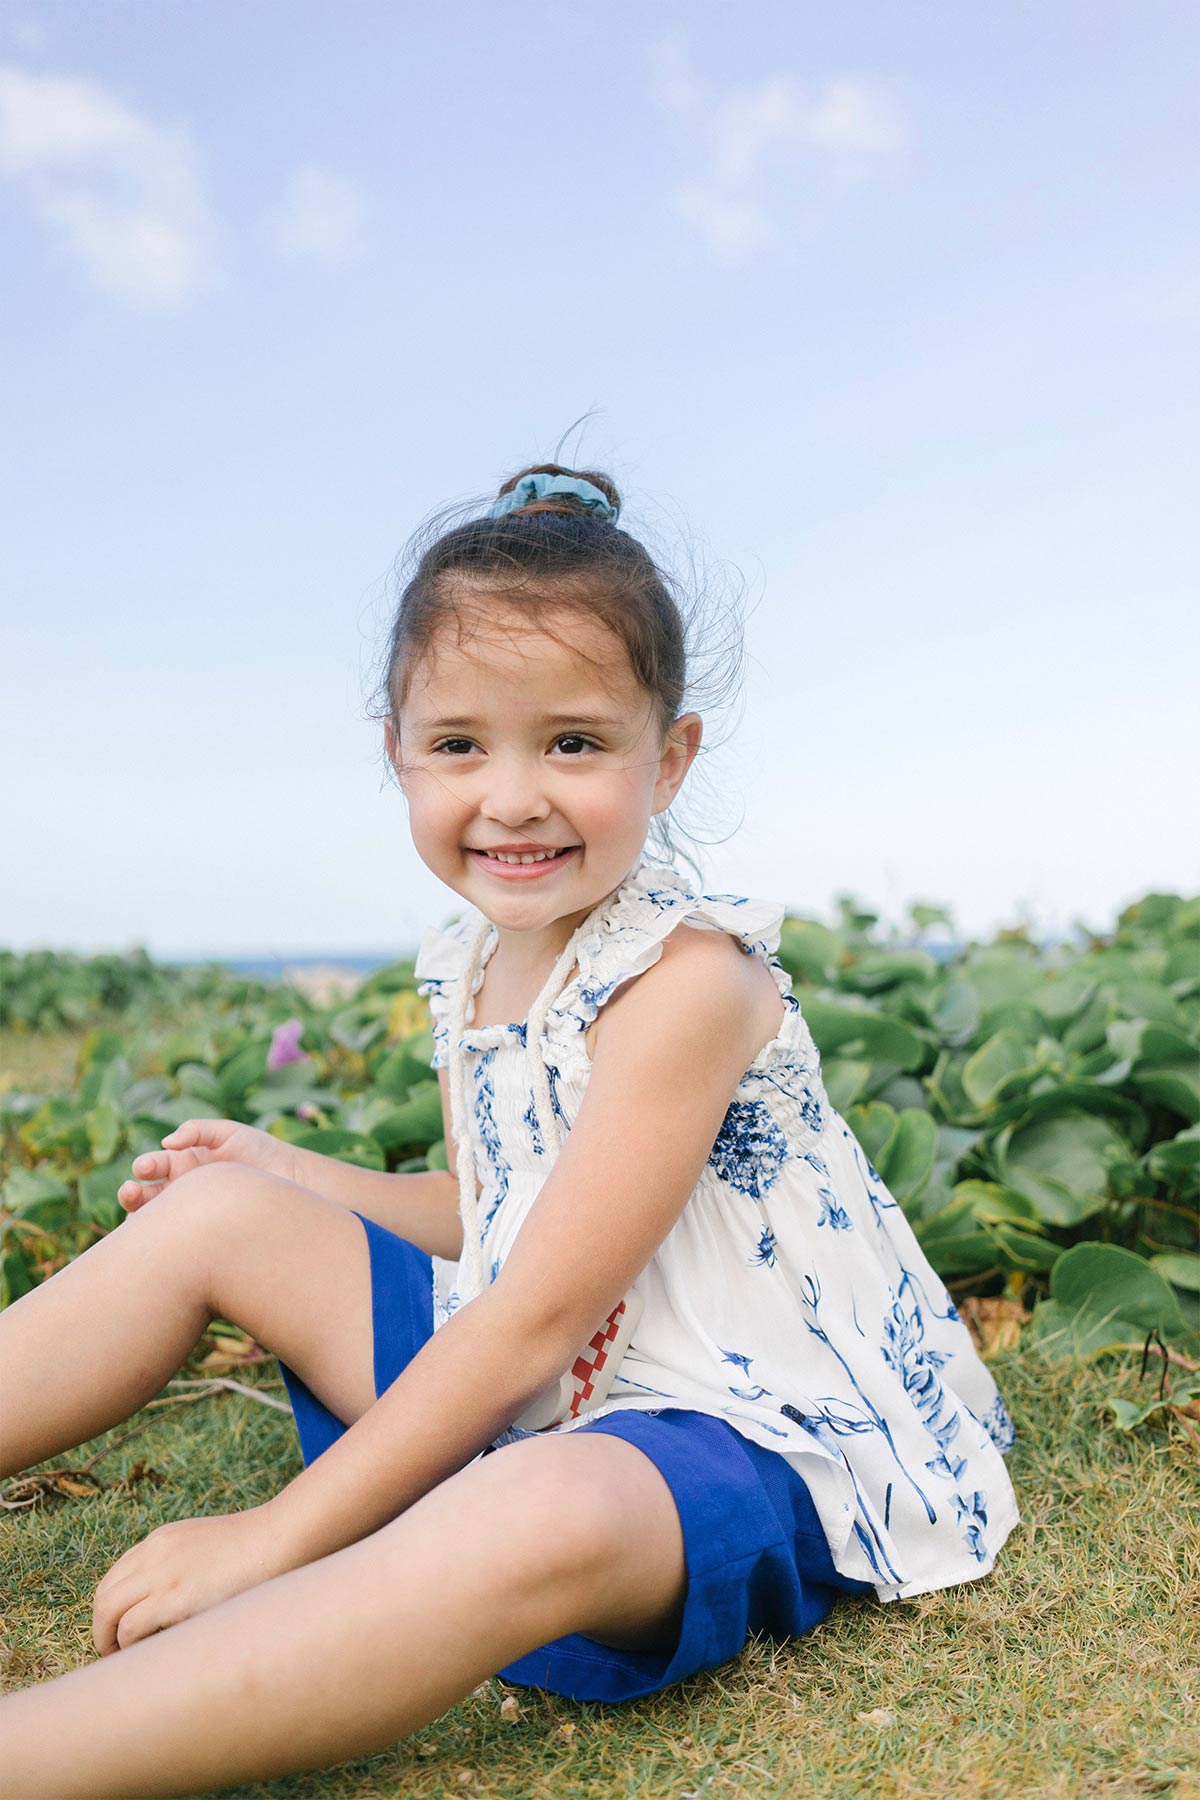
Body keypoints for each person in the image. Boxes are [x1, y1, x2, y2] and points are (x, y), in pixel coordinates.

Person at [0, 463, 1020, 1798]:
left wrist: (277, 1534)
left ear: (673, 756)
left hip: (734, 1422)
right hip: (550, 1370)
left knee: (537, 1507)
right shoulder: (475, 958)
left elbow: (534, 1314)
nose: (515, 795)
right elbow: (499, 1214)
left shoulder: (688, 987)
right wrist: (283, 1170)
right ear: (398, 749)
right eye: (461, 744)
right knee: (218, 1215)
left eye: (576, 743)